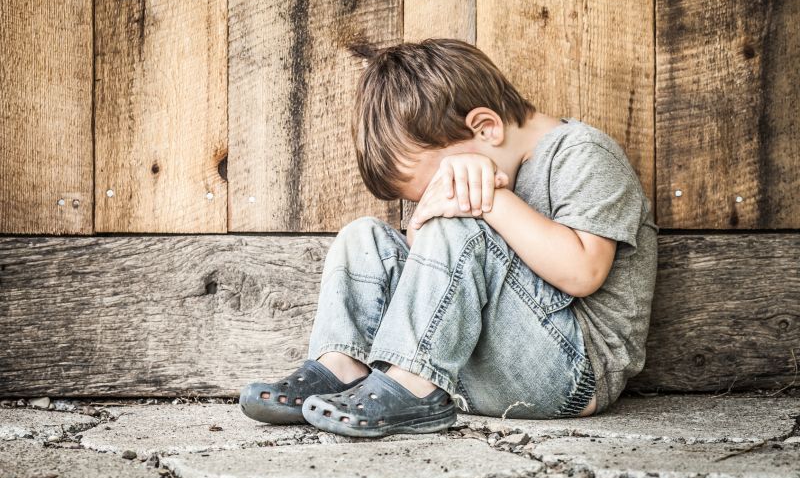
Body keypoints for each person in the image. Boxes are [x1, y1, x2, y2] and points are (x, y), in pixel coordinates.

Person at [239, 38, 658, 438]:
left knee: (460, 223)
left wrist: (491, 199)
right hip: (469, 367)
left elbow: (584, 272)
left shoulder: (582, 153)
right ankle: (342, 366)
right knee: (362, 235)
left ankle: (412, 384)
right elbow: (437, 288)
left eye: (441, 184)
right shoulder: (479, 186)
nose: (445, 199)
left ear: (485, 127)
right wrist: (424, 227)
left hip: (571, 374)